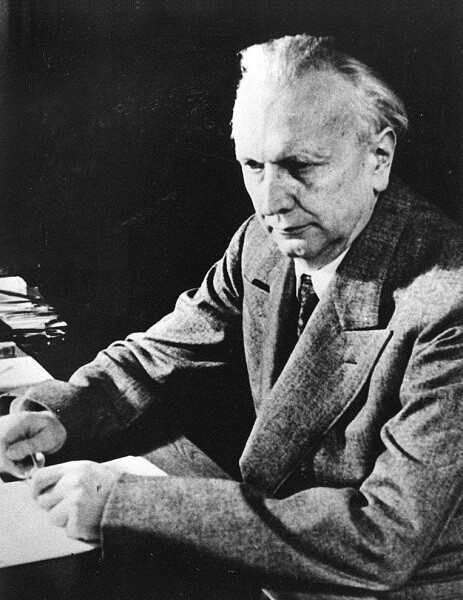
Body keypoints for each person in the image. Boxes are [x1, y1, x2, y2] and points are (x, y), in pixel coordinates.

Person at [1, 33, 463, 600]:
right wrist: (61, 411)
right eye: (253, 165)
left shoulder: (449, 303)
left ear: (379, 159)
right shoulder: (263, 242)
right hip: (284, 546)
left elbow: (383, 539)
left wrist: (125, 503)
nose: (270, 201)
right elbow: (161, 353)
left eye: (300, 165)